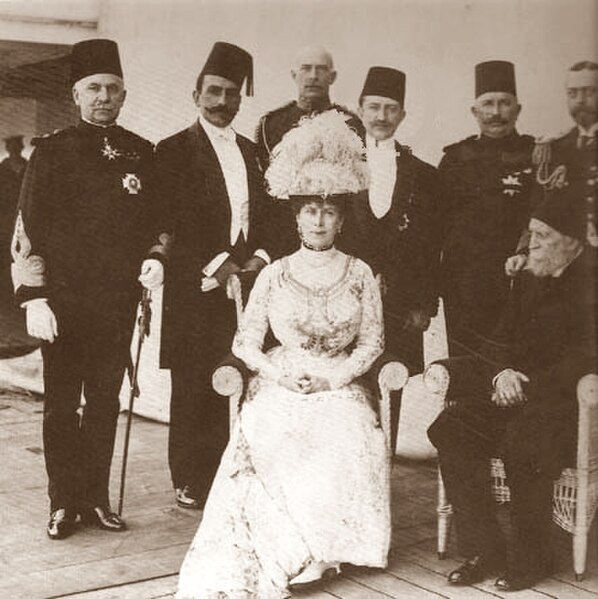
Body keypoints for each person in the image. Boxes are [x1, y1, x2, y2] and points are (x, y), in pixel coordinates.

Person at [176, 110, 390, 598]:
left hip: (338, 379)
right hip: (283, 374)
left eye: (328, 212)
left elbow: (373, 343)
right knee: (274, 427)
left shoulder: (359, 272)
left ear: (340, 219)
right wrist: (279, 375)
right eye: (309, 211)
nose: (318, 220)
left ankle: (323, 549)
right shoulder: (274, 274)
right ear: (295, 218)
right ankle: (284, 543)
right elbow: (246, 342)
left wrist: (334, 381)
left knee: (347, 426)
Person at [11, 39, 163, 540]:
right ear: (76, 95)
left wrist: (155, 258)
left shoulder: (141, 152)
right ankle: (62, 503)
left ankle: (95, 498)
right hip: (63, 305)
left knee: (104, 402)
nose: (103, 96)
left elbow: (159, 225)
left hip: (117, 303)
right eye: (93, 88)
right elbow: (26, 228)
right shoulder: (51, 151)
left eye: (112, 89)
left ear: (123, 96)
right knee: (60, 405)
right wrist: (33, 298)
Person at [427, 186, 597, 591]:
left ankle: (534, 556)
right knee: (452, 426)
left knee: (524, 441)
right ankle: (485, 548)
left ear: (571, 241)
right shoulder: (530, 276)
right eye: (531, 233)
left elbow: (588, 354)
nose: (531, 244)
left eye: (543, 237)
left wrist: (528, 385)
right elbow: (499, 337)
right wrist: (500, 373)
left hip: (571, 404)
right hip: (514, 393)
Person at [153, 42, 270, 512]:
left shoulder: (253, 152)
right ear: (196, 93)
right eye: (214, 92)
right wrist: (220, 267)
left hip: (248, 285)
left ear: (242, 99)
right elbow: (170, 218)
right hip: (196, 284)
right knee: (194, 384)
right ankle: (191, 478)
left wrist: (258, 259)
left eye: (232, 94)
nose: (223, 102)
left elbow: (271, 216)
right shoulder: (173, 150)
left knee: (239, 376)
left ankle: (231, 471)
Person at [343, 66, 440, 374]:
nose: (381, 117)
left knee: (394, 384)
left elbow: (430, 243)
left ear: (402, 115)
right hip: (345, 303)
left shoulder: (424, 175)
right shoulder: (338, 163)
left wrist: (423, 305)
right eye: (373, 107)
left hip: (402, 307)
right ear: (360, 109)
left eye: (391, 109)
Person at [439, 61, 535, 357]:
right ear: (474, 112)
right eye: (488, 104)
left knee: (518, 366)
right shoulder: (454, 159)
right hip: (465, 286)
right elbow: (436, 225)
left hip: (519, 282)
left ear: (518, 109)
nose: (496, 113)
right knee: (467, 371)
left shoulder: (536, 154)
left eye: (505, 103)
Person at [256, 44, 364, 259]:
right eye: (306, 68)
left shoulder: (352, 123)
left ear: (332, 76)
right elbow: (265, 194)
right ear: (294, 75)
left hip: (339, 243)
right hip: (284, 241)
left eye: (321, 69)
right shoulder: (271, 124)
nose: (313, 76)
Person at [506, 60, 598, 276]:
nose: (581, 101)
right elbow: (537, 209)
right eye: (573, 93)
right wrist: (524, 252)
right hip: (570, 272)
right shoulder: (553, 149)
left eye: (590, 92)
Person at [0, 135, 27, 294]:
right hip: (4, 216)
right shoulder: (2, 169)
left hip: (22, 215)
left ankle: (21, 286)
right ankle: (5, 288)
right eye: (12, 148)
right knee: (4, 249)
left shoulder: (28, 166)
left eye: (17, 147)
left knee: (22, 248)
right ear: (8, 150)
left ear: (21, 148)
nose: (15, 150)